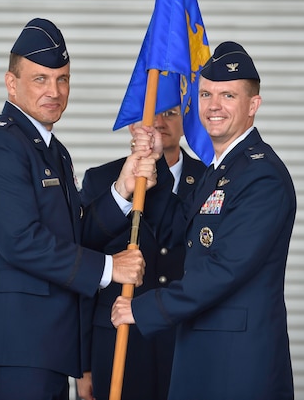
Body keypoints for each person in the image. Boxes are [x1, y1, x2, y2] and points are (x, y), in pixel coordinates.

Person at [0, 17, 160, 400]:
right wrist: (110, 267)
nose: (54, 90)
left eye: (62, 78)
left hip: (45, 348)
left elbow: (70, 235)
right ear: (11, 83)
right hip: (13, 348)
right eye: (40, 79)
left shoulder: (52, 151)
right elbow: (21, 241)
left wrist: (122, 188)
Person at [111, 41, 296, 400]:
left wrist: (144, 308)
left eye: (228, 95)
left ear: (253, 105)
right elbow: (177, 229)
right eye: (206, 94)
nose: (213, 106)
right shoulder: (220, 171)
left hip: (238, 361)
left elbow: (226, 268)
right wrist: (154, 165)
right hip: (203, 348)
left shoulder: (262, 176)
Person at [76, 105, 206, 400]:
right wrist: (82, 364)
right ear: (133, 126)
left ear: (185, 122)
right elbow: (84, 268)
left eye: (171, 113)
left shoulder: (208, 179)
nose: (159, 122)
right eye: (150, 115)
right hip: (117, 340)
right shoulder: (102, 179)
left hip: (185, 339)